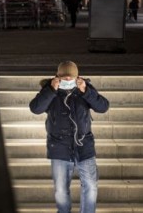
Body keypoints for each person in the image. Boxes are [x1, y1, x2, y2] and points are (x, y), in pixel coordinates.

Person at [29, 61, 110, 213]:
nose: (67, 81)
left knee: (91, 186)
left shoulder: (84, 89)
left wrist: (86, 91)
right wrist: (51, 90)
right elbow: (35, 108)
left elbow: (103, 107)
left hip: (84, 147)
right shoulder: (50, 90)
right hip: (59, 148)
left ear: (77, 77)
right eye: (64, 78)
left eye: (70, 78)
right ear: (57, 77)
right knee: (61, 191)